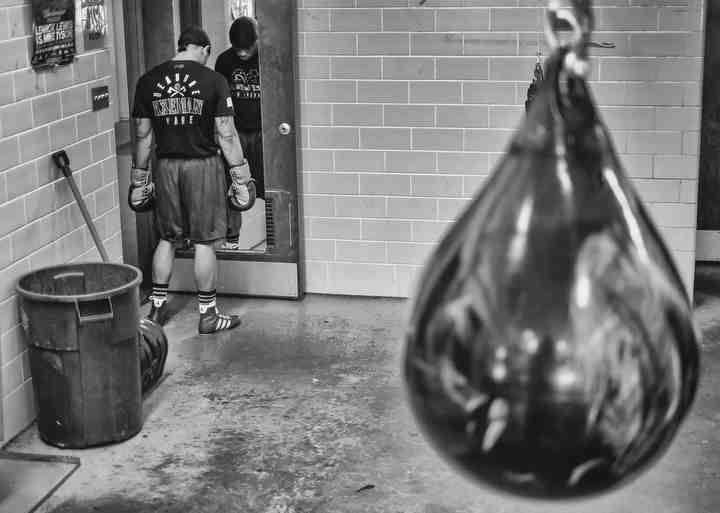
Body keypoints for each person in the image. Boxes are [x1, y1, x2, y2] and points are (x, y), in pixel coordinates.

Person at [129, 26, 252, 334]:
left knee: (167, 239)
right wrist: (241, 177)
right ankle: (208, 315)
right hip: (202, 166)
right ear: (205, 49)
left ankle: (157, 310)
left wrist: (139, 179)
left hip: (166, 166)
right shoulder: (214, 80)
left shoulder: (147, 81)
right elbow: (226, 132)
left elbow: (143, 136)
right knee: (205, 241)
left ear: (181, 46)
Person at [214, 16, 265, 250]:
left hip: (264, 130)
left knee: (267, 183)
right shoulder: (224, 61)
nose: (243, 54)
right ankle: (233, 238)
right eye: (238, 50)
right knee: (235, 184)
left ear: (257, 40)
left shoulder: (267, 58)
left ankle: (271, 235)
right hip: (236, 132)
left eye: (248, 48)